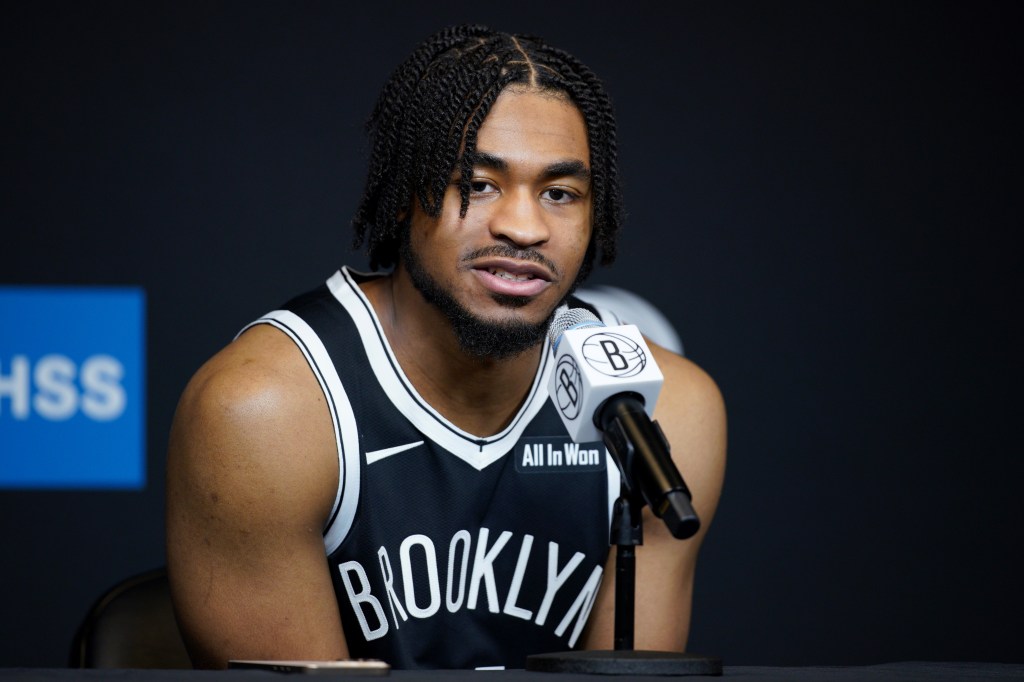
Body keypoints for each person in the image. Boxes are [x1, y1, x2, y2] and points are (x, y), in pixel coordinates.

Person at [165, 24, 726, 670]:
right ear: (406, 197)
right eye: (478, 183)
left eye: (559, 193)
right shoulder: (267, 411)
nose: (523, 226)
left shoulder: (664, 413)